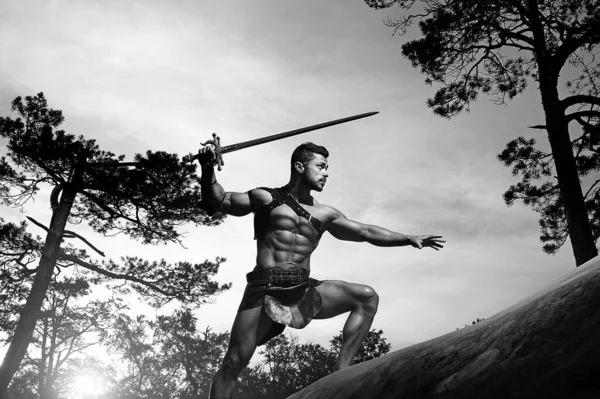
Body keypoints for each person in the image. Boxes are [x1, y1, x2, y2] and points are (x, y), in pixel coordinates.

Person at [197, 142, 444, 399]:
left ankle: (340, 376)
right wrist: (207, 168)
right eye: (321, 166)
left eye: (327, 168)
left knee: (366, 297)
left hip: (302, 289)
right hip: (265, 287)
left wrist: (408, 238)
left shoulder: (325, 213)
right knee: (233, 363)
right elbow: (218, 200)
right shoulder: (265, 198)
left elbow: (366, 232)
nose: (326, 173)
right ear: (300, 166)